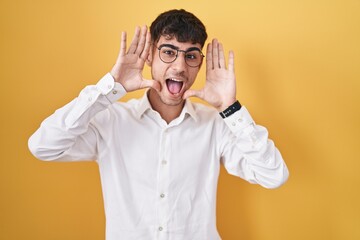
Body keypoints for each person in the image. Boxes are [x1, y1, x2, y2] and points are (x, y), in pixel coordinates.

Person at [28, 9, 289, 240]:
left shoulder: (215, 126)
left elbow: (274, 175)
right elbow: (43, 146)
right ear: (150, 55)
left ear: (200, 63)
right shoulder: (111, 121)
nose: (179, 66)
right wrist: (108, 90)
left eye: (191, 56)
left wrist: (230, 109)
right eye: (168, 52)